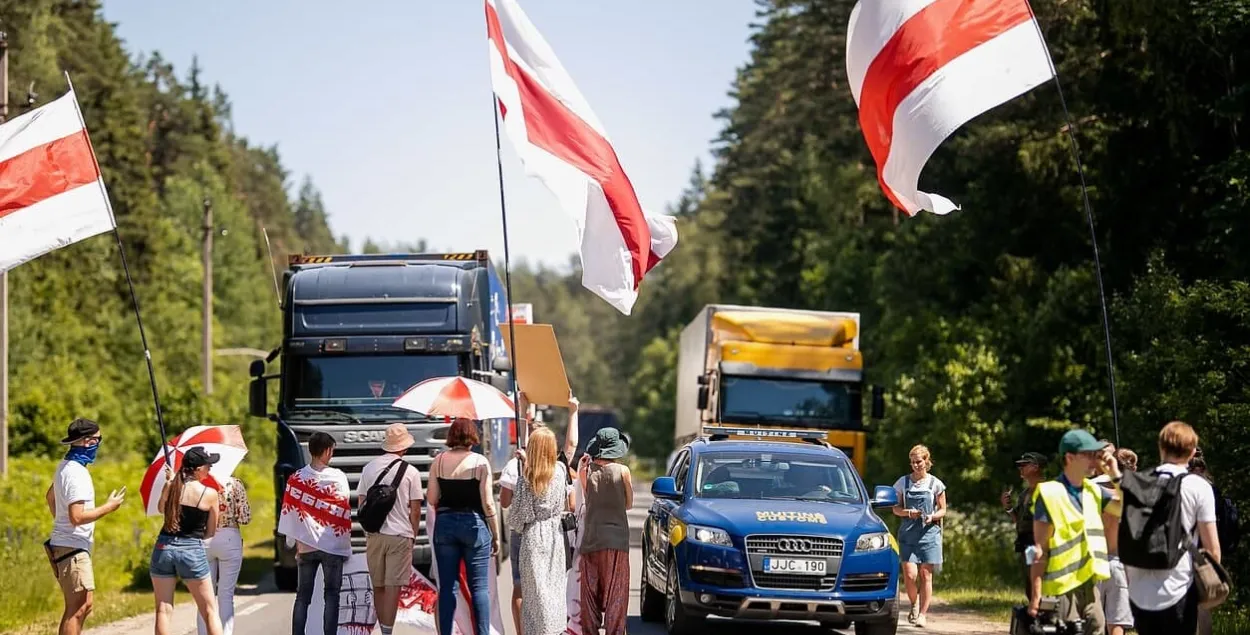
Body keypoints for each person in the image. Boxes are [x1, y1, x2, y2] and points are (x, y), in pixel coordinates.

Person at [1124, 421, 1220, 635]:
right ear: (1192, 450)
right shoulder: (1199, 486)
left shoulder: (1137, 482)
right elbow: (1212, 549)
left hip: (1139, 592)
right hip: (1179, 587)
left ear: (1161, 447)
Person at [1027, 429, 1121, 635]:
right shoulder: (1049, 493)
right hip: (1061, 590)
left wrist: (1115, 474)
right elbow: (1039, 550)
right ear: (1069, 458)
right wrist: (1036, 597)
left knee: (1097, 627)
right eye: (1088, 455)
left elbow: (1127, 507)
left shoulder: (1094, 491)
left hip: (1089, 586)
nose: (1094, 460)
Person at [500, 393, 580, 635]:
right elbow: (572, 445)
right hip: (556, 536)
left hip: (534, 537)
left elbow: (517, 516)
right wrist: (573, 411)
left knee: (535, 595)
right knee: (554, 589)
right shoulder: (560, 470)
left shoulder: (527, 476)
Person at [44, 418, 125, 635]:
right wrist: (109, 507)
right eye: (99, 440)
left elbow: (50, 497)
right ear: (89, 441)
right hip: (71, 546)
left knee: (85, 603)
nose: (99, 444)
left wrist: (60, 524)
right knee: (77, 608)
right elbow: (77, 517)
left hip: (70, 544)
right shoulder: (77, 473)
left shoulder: (65, 467)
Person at [427, 418, 497, 635]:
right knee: (479, 588)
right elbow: (487, 502)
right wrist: (494, 534)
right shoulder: (479, 462)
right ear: (472, 437)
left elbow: (432, 498)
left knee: (447, 587)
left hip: (446, 524)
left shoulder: (438, 461)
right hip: (473, 524)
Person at [283, 432, 351, 635]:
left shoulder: (295, 478)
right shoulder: (338, 477)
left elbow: (290, 512)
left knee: (303, 596)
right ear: (327, 451)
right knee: (332, 595)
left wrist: (292, 541)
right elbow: (343, 507)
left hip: (306, 545)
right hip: (332, 545)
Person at [358, 424, 424, 635]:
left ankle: (382, 628)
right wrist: (412, 535)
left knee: (377, 585)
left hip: (375, 534)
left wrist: (367, 530)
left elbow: (361, 502)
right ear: (404, 447)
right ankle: (388, 630)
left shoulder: (369, 468)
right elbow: (415, 510)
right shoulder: (411, 472)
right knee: (394, 586)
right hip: (400, 535)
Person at [151, 446, 224, 635]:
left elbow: (161, 509)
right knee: (209, 610)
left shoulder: (171, 486)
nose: (210, 469)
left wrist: (169, 483)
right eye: (208, 466)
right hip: (191, 548)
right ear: (198, 469)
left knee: (163, 609)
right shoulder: (209, 494)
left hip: (163, 547)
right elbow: (211, 531)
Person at [577, 428, 633, 635]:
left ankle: (590, 632)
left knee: (590, 592)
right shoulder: (623, 472)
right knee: (616, 592)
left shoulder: (586, 471)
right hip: (618, 538)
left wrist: (582, 467)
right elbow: (628, 504)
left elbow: (587, 496)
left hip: (592, 537)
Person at [892, 444, 946, 628]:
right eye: (913, 462)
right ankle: (914, 603)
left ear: (927, 461)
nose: (916, 465)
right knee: (909, 574)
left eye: (919, 461)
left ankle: (922, 614)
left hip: (929, 533)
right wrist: (907, 513)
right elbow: (895, 508)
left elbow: (943, 509)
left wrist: (932, 516)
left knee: (925, 574)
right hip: (908, 534)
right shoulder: (903, 483)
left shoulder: (936, 484)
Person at [197, 475, 252, 635]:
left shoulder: (200, 484)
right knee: (226, 594)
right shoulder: (235, 484)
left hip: (204, 538)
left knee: (205, 596)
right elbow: (245, 517)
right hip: (229, 537)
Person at [1091, 443, 1134, 635]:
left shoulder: (1093, 491)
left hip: (1093, 562)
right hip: (1119, 564)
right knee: (1117, 622)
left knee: (1090, 622)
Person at [1002, 452, 1046, 605]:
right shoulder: (1024, 494)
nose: (1020, 468)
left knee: (1040, 583)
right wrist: (1008, 508)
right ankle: (1035, 616)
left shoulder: (1046, 491)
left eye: (1024, 465)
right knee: (1029, 584)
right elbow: (1018, 520)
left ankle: (1044, 614)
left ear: (1035, 467)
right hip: (1025, 543)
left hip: (1039, 543)